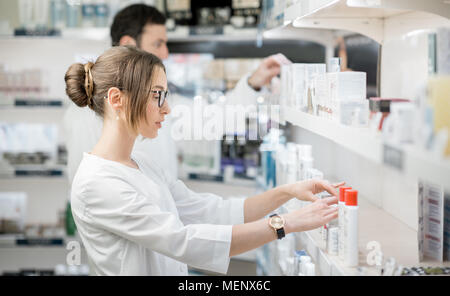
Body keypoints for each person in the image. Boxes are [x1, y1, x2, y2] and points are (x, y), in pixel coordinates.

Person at [65, 46, 340, 275]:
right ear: (117, 99)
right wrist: (286, 223)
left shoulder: (141, 162)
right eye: (157, 95)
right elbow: (183, 241)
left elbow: (210, 211)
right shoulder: (96, 184)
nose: (167, 108)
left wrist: (287, 192)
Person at [64, 4, 289, 184]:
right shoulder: (87, 113)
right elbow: (86, 187)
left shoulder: (160, 102)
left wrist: (254, 82)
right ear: (129, 44)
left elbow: (213, 120)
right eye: (158, 43)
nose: (165, 52)